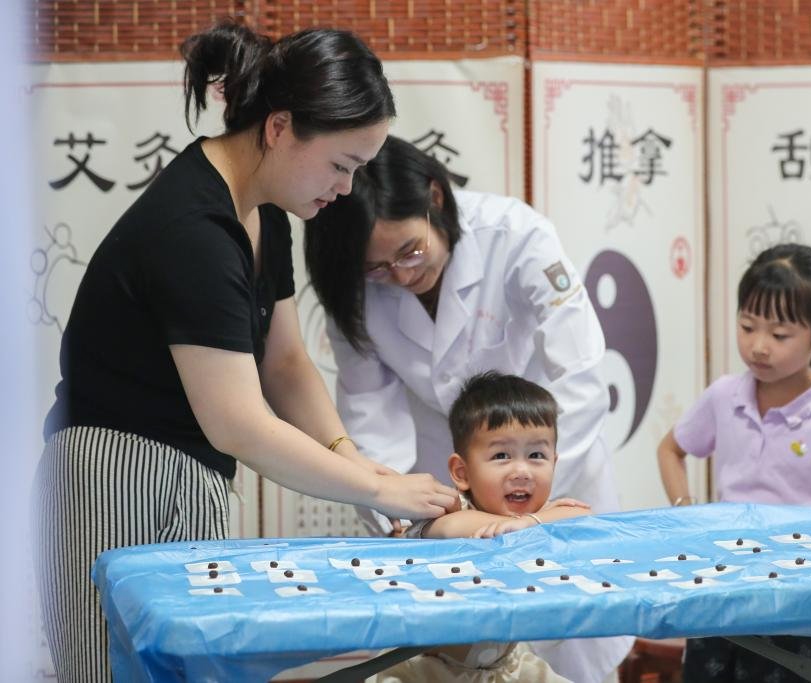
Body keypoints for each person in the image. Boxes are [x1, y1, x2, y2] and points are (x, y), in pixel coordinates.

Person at [33, 22, 457, 683]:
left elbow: (284, 364)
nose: (346, 189)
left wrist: (352, 461)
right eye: (341, 165)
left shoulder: (265, 215)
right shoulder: (193, 228)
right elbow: (238, 420)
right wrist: (379, 485)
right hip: (112, 470)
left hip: (193, 473)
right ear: (280, 127)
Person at [305, 134, 632, 683]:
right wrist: (405, 512)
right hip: (448, 485)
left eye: (410, 251)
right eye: (379, 269)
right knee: (461, 662)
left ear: (435, 197)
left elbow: (578, 377)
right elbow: (367, 416)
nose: (403, 275)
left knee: (570, 654)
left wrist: (529, 494)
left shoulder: (517, 235)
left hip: (553, 462)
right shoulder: (351, 288)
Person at [656, 242, 811, 682]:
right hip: (720, 583)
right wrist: (686, 512)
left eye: (780, 334)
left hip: (798, 595)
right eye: (747, 326)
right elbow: (670, 449)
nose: (758, 347)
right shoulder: (724, 395)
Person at [379, 372, 589, 683]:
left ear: (554, 463)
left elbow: (583, 517)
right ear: (461, 472)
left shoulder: (534, 518)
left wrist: (533, 521)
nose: (522, 471)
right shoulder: (449, 510)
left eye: (536, 456)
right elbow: (453, 528)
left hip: (506, 668)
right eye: (501, 455)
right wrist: (529, 524)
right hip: (429, 670)